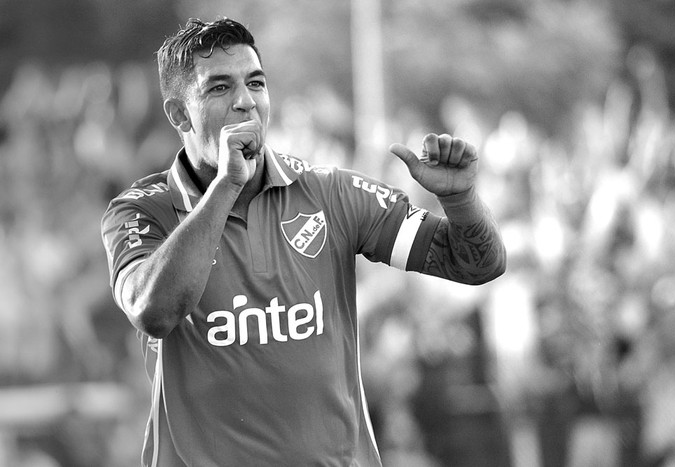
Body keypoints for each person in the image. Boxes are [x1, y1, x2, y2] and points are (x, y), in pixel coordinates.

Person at [101, 17, 506, 467]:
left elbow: (476, 265)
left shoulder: (330, 194)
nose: (245, 102)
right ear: (178, 113)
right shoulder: (140, 211)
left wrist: (462, 199)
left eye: (256, 83)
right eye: (219, 88)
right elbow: (153, 311)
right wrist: (225, 187)